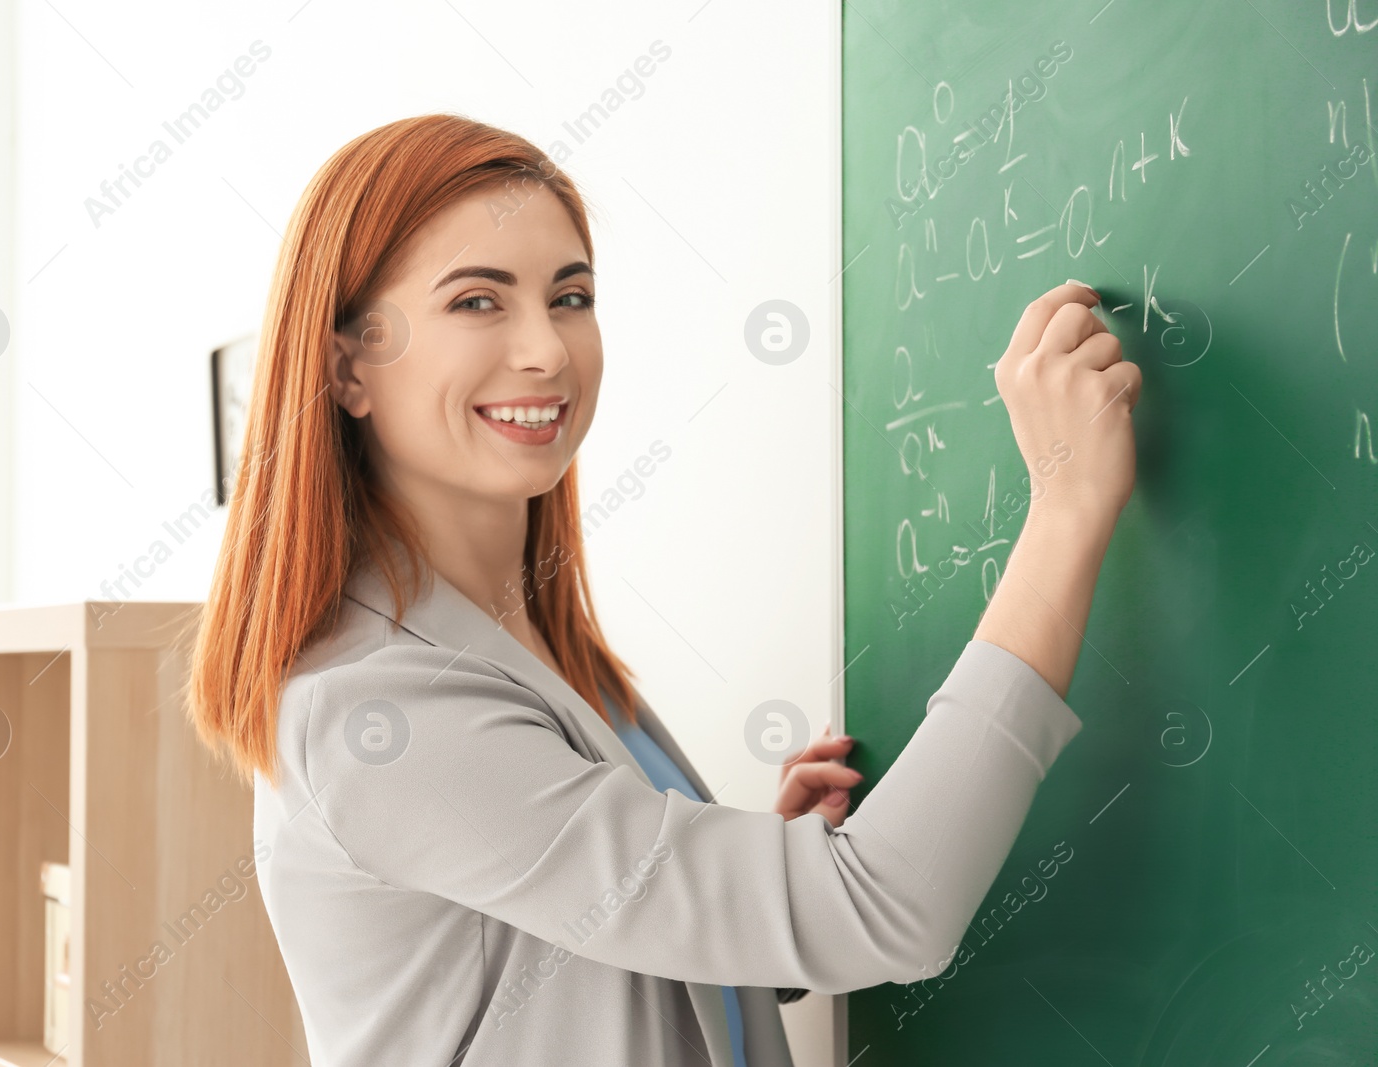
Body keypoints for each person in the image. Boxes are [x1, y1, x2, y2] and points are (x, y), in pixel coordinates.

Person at [186, 113, 1141, 1067]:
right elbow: (887, 906)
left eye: (571, 296)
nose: (547, 351)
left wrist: (757, 880)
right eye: (478, 302)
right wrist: (1068, 504)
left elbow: (571, 962)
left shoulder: (531, 639)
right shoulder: (381, 708)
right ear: (348, 365)